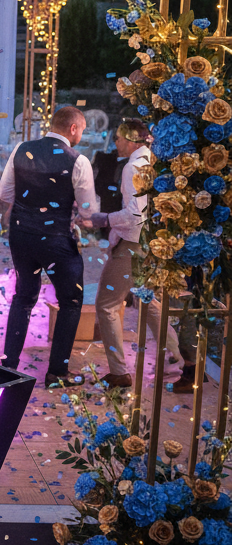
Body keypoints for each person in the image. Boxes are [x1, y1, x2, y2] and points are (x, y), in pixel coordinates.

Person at [0, 105, 96, 387]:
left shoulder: (21, 149)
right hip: (56, 240)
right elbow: (89, 211)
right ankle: (57, 372)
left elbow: (4, 193)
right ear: (73, 128)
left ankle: (9, 366)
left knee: (23, 296)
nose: (81, 136)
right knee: (71, 301)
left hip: (22, 236)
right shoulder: (78, 161)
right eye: (82, 130)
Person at [88, 121, 183, 389]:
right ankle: (176, 361)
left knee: (107, 304)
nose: (115, 144)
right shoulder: (151, 162)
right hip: (151, 242)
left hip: (132, 244)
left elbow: (134, 215)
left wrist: (104, 218)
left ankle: (119, 371)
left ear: (130, 141)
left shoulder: (133, 166)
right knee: (148, 302)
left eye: (118, 139)